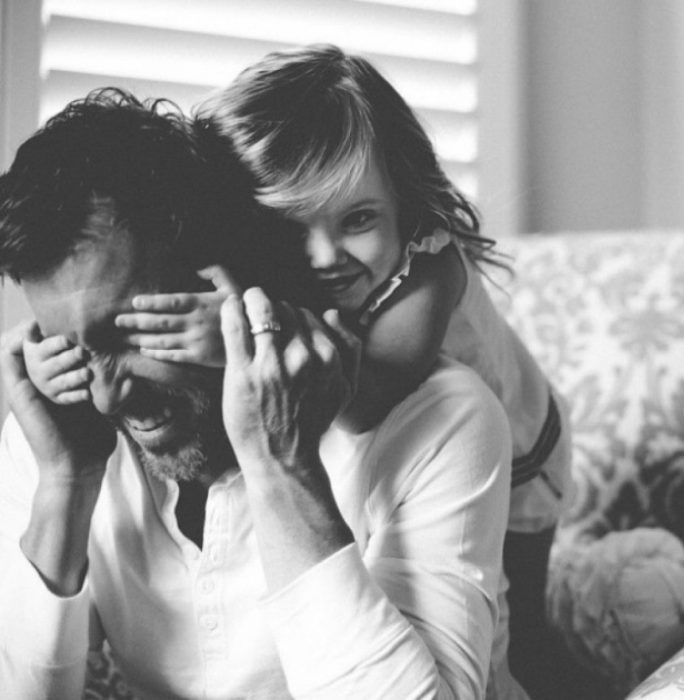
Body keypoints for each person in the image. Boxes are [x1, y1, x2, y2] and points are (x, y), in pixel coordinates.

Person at [0, 88, 514, 698]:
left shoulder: (439, 421)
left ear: (221, 274)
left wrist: (279, 463)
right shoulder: (64, 427)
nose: (110, 397)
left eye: (131, 331)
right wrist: (66, 485)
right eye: (74, 348)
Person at [98, 45, 572, 698]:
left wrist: (231, 336)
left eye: (358, 220)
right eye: (290, 228)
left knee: (519, 614)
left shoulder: (429, 268)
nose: (325, 256)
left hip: (525, 445)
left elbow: (365, 396)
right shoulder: (298, 267)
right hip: (445, 447)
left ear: (404, 201)